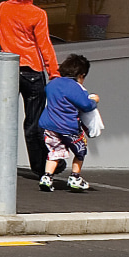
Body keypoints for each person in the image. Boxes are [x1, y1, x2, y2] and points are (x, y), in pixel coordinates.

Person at [0, 0, 59, 176]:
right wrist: (54, 73)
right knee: (34, 123)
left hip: (7, 69)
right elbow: (45, 46)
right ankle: (40, 166)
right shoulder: (38, 14)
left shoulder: (3, 8)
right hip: (32, 71)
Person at [37, 55, 98, 192]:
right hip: (68, 127)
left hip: (49, 126)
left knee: (54, 151)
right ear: (81, 75)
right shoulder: (75, 87)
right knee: (80, 150)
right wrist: (94, 100)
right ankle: (75, 177)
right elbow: (86, 105)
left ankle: (47, 177)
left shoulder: (52, 84)